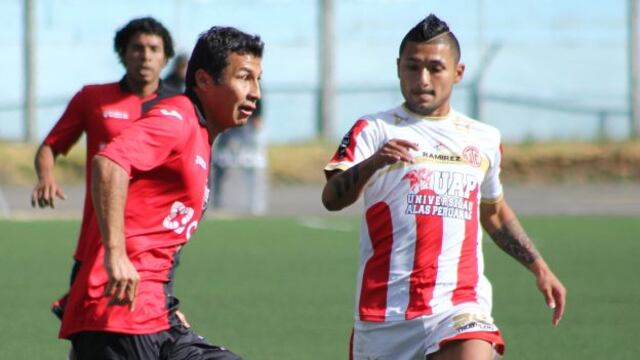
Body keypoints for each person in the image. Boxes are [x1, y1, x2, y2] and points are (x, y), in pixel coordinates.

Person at [321, 14, 566, 360]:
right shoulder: (373, 129)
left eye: (435, 68)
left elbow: (492, 212)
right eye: (412, 67)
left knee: (474, 349)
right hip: (385, 316)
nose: (422, 79)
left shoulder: (484, 139)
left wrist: (539, 266)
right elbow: (331, 198)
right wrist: (374, 163)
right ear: (398, 68)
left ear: (458, 73)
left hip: (459, 306)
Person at [58, 26, 263, 360]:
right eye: (244, 77)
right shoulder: (177, 118)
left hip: (156, 316)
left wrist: (165, 304)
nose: (255, 92)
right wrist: (115, 254)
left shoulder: (201, 135)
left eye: (258, 79)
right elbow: (109, 163)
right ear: (204, 80)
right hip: (118, 316)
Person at [31, 17, 177, 321]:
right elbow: (49, 147)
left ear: (166, 57)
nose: (145, 55)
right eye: (137, 47)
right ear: (122, 53)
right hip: (96, 242)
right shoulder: (92, 98)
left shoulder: (179, 107)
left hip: (151, 244)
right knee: (84, 331)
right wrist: (46, 177)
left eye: (154, 48)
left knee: (149, 330)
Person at [212, 100, 267, 214]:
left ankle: (254, 203)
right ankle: (216, 202)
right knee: (221, 164)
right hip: (227, 122)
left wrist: (258, 115)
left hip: (246, 123)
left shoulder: (252, 84)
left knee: (249, 164)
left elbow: (257, 98)